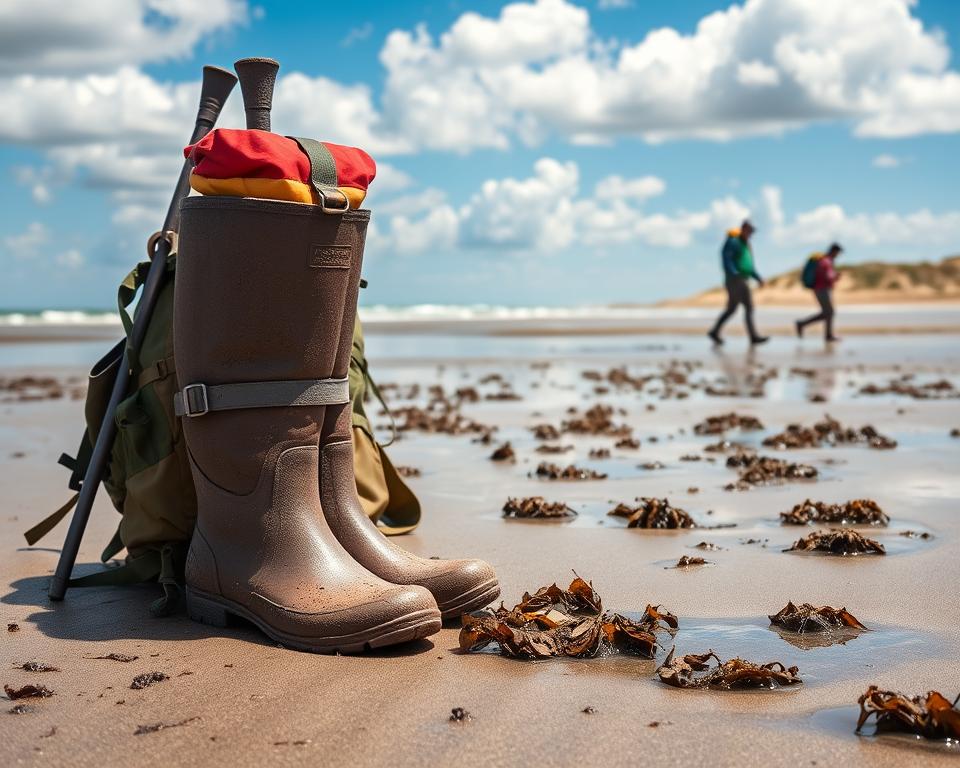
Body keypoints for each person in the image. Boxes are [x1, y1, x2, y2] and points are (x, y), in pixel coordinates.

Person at [708, 220, 769, 345]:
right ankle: (753, 337)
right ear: (743, 228)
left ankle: (714, 331)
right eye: (749, 230)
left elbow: (749, 266)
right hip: (736, 280)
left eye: (752, 231)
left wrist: (758, 277)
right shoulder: (734, 241)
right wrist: (734, 273)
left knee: (731, 309)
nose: (751, 233)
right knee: (749, 307)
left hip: (741, 278)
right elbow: (726, 258)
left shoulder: (746, 244)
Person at [796, 243, 843, 342]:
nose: (838, 256)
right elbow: (827, 276)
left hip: (821, 289)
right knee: (829, 312)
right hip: (822, 290)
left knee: (827, 313)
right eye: (838, 253)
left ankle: (803, 324)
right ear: (835, 251)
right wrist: (835, 276)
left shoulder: (824, 260)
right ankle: (827, 335)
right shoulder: (826, 261)